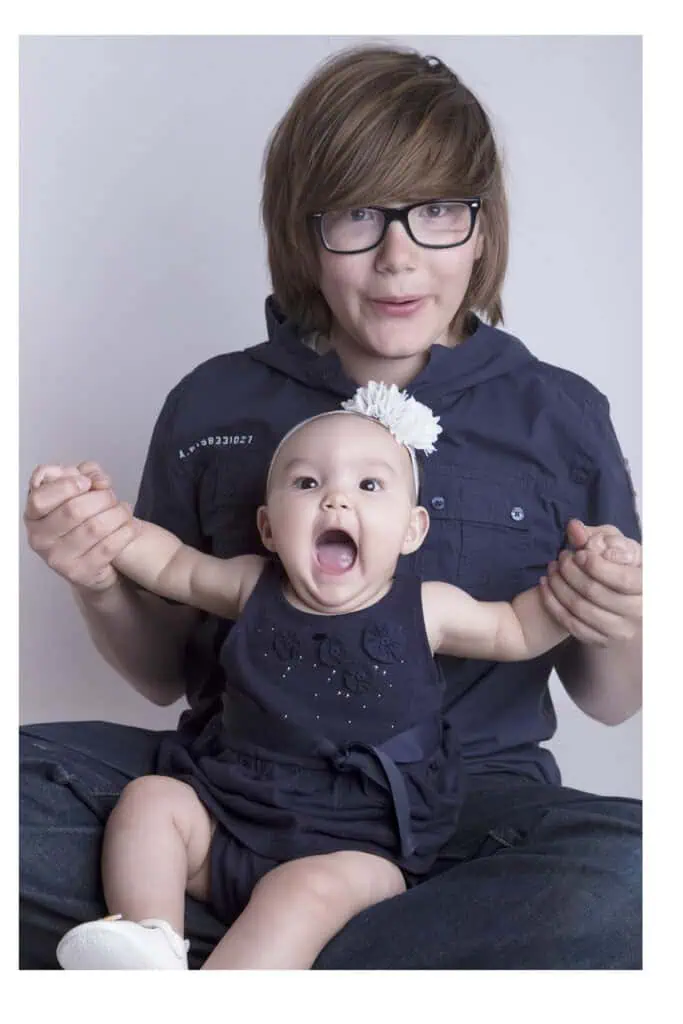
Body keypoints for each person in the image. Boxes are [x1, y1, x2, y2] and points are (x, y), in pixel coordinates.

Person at [21, 45, 642, 970]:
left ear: (482, 229)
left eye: (437, 213)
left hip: (468, 813)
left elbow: (611, 700)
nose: (398, 260)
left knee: (632, 886)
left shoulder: (559, 415)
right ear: (302, 233)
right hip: (233, 782)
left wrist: (619, 611)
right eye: (357, 215)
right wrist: (95, 572)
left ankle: (232, 950)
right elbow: (159, 672)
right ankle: (233, 940)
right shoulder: (214, 403)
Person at [39, 387, 624, 970]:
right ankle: (150, 942)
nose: (336, 501)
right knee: (150, 802)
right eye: (307, 484)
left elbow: (515, 631)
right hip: (230, 815)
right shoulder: (250, 586)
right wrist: (104, 523)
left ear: (412, 530)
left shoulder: (427, 609)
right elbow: (170, 564)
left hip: (356, 848)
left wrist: (581, 582)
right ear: (268, 528)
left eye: (369, 486)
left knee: (301, 895)